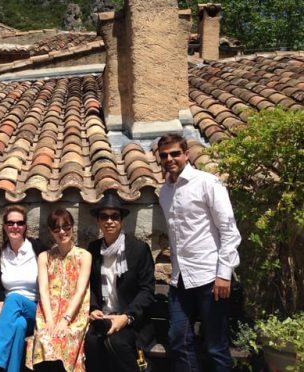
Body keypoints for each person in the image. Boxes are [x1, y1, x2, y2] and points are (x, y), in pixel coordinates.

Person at [157, 134, 241, 372]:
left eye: (174, 153)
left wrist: (224, 274)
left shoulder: (207, 183)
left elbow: (228, 230)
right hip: (180, 279)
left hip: (210, 278)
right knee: (177, 340)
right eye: (164, 155)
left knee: (215, 345)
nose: (169, 159)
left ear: (186, 154)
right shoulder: (165, 192)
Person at [84, 192, 155, 372]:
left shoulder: (138, 250)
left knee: (116, 342)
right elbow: (89, 285)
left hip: (132, 320)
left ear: (121, 220)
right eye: (104, 217)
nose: (109, 221)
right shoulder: (93, 250)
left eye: (115, 216)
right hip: (104, 318)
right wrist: (93, 308)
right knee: (91, 342)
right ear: (98, 221)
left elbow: (147, 290)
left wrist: (126, 317)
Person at [0, 205, 47, 372]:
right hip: (11, 312)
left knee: (14, 298)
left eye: (19, 223)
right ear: (4, 226)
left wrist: (6, 300)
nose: (15, 227)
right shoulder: (0, 253)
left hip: (35, 308)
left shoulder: (38, 249)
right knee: (18, 325)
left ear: (25, 226)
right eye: (10, 223)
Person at [28, 208, 91, 371]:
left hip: (75, 314)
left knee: (64, 336)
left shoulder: (84, 256)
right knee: (45, 336)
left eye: (66, 227)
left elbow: (80, 291)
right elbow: (43, 290)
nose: (62, 232)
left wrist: (65, 320)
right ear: (51, 232)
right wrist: (49, 320)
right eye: (57, 228)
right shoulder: (44, 257)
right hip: (49, 313)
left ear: (72, 227)